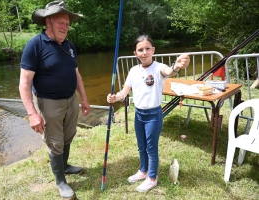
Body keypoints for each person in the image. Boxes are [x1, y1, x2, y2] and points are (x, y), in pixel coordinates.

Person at [19, 1, 90, 199]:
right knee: (55, 142)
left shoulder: (69, 45)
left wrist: (83, 98)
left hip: (70, 99)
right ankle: (60, 181)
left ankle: (64, 165)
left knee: (68, 135)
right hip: (48, 102)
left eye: (67, 23)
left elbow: (76, 74)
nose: (65, 27)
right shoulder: (35, 45)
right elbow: (24, 83)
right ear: (48, 22)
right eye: (60, 22)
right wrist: (33, 114)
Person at [107, 35, 190, 192]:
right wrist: (114, 97)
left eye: (147, 49)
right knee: (141, 146)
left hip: (153, 115)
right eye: (140, 50)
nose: (144, 52)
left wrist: (176, 66)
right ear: (135, 53)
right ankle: (143, 171)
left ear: (153, 50)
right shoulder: (133, 71)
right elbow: (124, 92)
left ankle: (152, 178)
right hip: (139, 115)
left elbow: (169, 71)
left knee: (151, 148)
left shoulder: (158, 67)